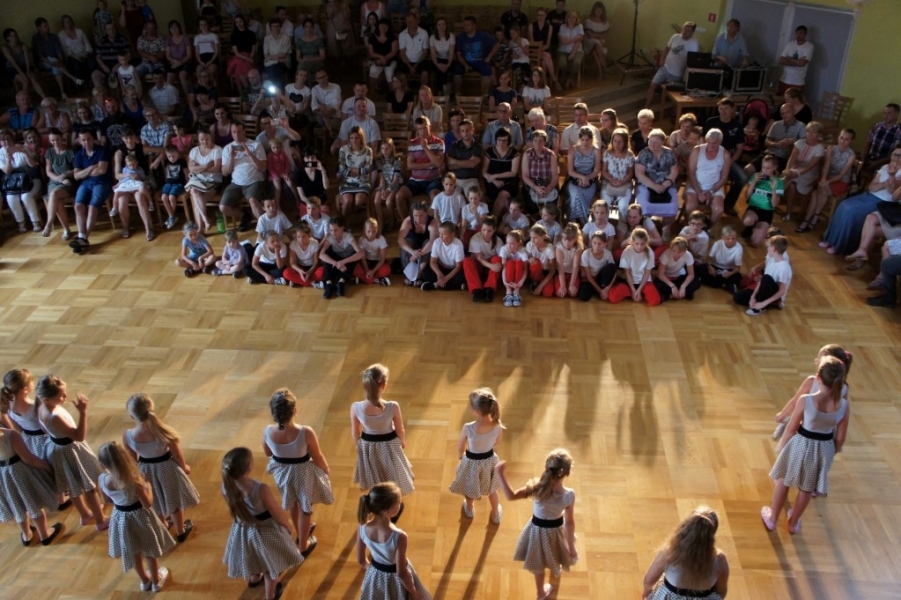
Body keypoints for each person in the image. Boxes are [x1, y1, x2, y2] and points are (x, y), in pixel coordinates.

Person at [761, 355, 848, 533]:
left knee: (783, 480)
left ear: (818, 377)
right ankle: (793, 523)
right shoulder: (844, 405)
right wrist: (832, 452)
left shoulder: (806, 400)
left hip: (800, 443)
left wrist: (782, 447)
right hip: (824, 447)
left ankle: (772, 518)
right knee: (807, 488)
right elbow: (841, 437)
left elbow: (791, 428)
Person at [221, 447, 303, 600]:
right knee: (271, 567)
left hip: (242, 529)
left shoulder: (226, 487)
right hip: (265, 530)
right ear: (249, 468)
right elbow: (276, 512)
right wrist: (287, 525)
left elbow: (235, 510)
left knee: (252, 555)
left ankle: (254, 578)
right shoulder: (260, 489)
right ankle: (270, 596)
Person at [495, 449, 578, 600]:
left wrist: (500, 474)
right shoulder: (569, 495)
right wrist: (571, 547)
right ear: (567, 473)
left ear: (547, 467)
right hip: (556, 532)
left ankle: (540, 593)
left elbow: (511, 496)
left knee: (539, 563)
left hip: (537, 533)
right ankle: (554, 566)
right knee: (556, 551)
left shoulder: (536, 488)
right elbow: (570, 523)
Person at [97, 442, 175, 592]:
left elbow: (107, 501)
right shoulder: (135, 480)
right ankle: (156, 581)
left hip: (121, 518)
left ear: (102, 464)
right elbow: (148, 503)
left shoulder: (102, 480)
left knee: (134, 552)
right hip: (141, 517)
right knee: (149, 550)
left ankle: (145, 581)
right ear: (126, 459)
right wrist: (148, 485)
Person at [263, 388, 332, 556]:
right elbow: (317, 456)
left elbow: (268, 452)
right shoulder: (305, 432)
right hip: (303, 474)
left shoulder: (267, 431)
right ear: (294, 410)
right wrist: (325, 468)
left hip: (283, 474)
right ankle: (303, 545)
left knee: (293, 504)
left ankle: (301, 533)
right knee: (306, 508)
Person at [34, 375, 108, 529]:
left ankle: (85, 514)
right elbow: (79, 436)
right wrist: (83, 412)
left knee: (72, 486)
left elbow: (43, 428)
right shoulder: (55, 417)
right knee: (89, 486)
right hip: (71, 450)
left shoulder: (40, 405)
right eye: (61, 395)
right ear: (47, 398)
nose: (65, 397)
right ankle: (100, 520)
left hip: (56, 447)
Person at [356, 482, 431, 600]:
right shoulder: (399, 536)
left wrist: (375, 572)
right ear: (387, 511)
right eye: (398, 502)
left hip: (375, 574)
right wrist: (414, 592)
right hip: (396, 580)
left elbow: (361, 560)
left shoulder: (362, 527)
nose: (401, 504)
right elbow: (401, 572)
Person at [820, 150, 901, 255]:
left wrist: (891, 176)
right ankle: (830, 239)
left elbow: (892, 191)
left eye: (899, 155)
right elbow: (871, 187)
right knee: (844, 205)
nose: (896, 157)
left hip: (883, 203)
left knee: (852, 211)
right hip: (869, 196)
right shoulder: (885, 167)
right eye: (894, 154)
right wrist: (884, 184)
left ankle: (840, 246)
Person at [642, 507, 730, 600]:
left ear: (686, 528)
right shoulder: (720, 559)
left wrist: (647, 592)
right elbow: (721, 591)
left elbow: (648, 581)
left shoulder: (669, 552)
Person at [772, 345, 851, 441]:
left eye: (819, 358)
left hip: (804, 427)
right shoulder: (845, 388)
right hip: (824, 433)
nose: (816, 360)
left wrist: (781, 415)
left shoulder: (811, 381)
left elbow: (795, 402)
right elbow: (841, 411)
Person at [70, 130, 113, 254]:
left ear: (93, 139)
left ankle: (83, 238)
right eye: (83, 140)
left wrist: (84, 173)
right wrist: (90, 168)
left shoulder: (102, 151)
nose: (86, 142)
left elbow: (102, 170)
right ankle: (82, 238)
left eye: (88, 139)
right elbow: (76, 176)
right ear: (80, 141)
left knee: (92, 207)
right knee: (78, 206)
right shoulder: (79, 154)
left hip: (102, 182)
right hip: (86, 183)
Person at [221, 121, 267, 231]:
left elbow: (264, 168)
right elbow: (224, 172)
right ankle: (245, 216)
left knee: (253, 200)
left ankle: (266, 228)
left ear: (244, 131)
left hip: (254, 180)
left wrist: (250, 155)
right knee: (223, 207)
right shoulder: (227, 148)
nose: (236, 135)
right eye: (234, 132)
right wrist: (231, 158)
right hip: (236, 183)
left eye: (239, 132)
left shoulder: (256, 145)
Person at [705, 98, 747, 216]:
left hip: (728, 160)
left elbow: (739, 148)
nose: (723, 111)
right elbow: (703, 142)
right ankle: (704, 200)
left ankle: (728, 204)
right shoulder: (711, 122)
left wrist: (729, 163)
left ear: (732, 109)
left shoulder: (737, 126)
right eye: (721, 108)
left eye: (726, 108)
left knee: (743, 178)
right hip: (710, 157)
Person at [733, 234, 790, 315]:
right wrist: (753, 296)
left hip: (773, 294)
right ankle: (758, 302)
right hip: (764, 289)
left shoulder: (783, 268)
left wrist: (763, 303)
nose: (767, 249)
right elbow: (762, 281)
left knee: (767, 278)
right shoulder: (771, 260)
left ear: (774, 249)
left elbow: (781, 291)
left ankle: (762, 306)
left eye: (769, 247)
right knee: (737, 297)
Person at [646, 22, 698, 108]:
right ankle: (646, 108)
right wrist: (662, 59)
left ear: (692, 32)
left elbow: (692, 61)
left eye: (688, 31)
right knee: (652, 85)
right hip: (665, 68)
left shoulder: (694, 44)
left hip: (677, 74)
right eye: (684, 30)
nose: (685, 32)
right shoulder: (675, 37)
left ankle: (672, 111)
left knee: (673, 94)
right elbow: (666, 48)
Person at [685, 129, 732, 225]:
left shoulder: (725, 154)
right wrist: (698, 192)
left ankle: (708, 228)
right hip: (695, 185)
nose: (710, 146)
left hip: (714, 187)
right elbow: (691, 172)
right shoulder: (697, 150)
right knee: (690, 206)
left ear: (720, 142)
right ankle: (691, 227)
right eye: (708, 142)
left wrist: (710, 192)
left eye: (714, 143)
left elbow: (724, 177)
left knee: (718, 209)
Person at [0, 129, 42, 233]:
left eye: (8, 139)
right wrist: (8, 158)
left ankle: (35, 221)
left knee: (26, 196)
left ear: (12, 139)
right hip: (14, 184)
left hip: (31, 180)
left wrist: (25, 152)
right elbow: (7, 171)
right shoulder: (0, 153)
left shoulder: (21, 147)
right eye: (3, 140)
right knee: (10, 198)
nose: (6, 142)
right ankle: (21, 222)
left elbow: (33, 165)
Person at [781, 121, 825, 220]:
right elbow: (792, 159)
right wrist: (788, 170)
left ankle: (773, 201)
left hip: (809, 172)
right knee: (791, 184)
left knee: (787, 180)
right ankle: (788, 212)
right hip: (795, 167)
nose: (810, 134)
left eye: (814, 132)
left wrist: (796, 174)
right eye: (808, 131)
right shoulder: (800, 143)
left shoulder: (820, 148)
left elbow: (810, 166)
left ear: (819, 134)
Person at [634, 128, 679, 224]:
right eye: (650, 141)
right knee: (645, 205)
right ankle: (646, 225)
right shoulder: (644, 153)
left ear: (662, 142)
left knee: (673, 206)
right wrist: (655, 186)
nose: (652, 144)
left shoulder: (669, 153)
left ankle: (666, 227)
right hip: (646, 184)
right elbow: (639, 173)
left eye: (656, 142)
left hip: (666, 184)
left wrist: (665, 184)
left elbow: (674, 170)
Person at [608, 227, 661, 305]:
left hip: (644, 282)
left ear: (646, 243)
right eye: (637, 244)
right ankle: (632, 293)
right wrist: (633, 289)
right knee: (613, 298)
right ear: (632, 242)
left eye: (642, 244)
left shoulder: (650, 253)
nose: (640, 247)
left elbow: (647, 273)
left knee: (655, 300)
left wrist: (639, 290)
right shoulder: (627, 252)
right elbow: (627, 273)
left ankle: (638, 293)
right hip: (629, 282)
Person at [32, 18, 82, 99]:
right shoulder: (36, 38)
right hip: (43, 62)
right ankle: (73, 78)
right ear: (39, 28)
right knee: (54, 61)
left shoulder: (53, 37)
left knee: (56, 67)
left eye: (47, 25)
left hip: (56, 62)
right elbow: (40, 56)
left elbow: (58, 51)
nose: (47, 27)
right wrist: (50, 62)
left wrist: (61, 60)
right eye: (45, 26)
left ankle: (62, 92)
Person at [183, 130, 222, 232]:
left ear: (211, 138)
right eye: (202, 139)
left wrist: (199, 168)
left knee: (195, 198)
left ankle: (201, 228)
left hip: (214, 181)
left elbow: (216, 169)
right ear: (198, 139)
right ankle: (205, 220)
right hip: (198, 180)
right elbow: (191, 169)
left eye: (207, 139)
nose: (204, 142)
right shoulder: (194, 151)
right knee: (194, 191)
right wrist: (206, 166)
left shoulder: (217, 150)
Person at [741, 155, 784, 248]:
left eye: (768, 168)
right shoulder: (756, 176)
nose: (765, 170)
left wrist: (774, 189)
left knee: (755, 243)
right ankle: (751, 227)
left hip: (767, 212)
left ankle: (761, 227)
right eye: (763, 167)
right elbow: (747, 196)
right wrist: (754, 182)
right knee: (747, 221)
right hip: (754, 208)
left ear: (774, 167)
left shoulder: (779, 182)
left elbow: (774, 204)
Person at [319, 217, 364, 298]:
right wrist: (336, 263)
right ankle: (329, 284)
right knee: (327, 255)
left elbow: (360, 253)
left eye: (335, 230)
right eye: (331, 230)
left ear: (342, 228)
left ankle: (341, 282)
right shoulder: (330, 238)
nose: (333, 233)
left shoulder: (348, 236)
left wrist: (343, 262)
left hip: (346, 258)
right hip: (336, 259)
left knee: (354, 258)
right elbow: (321, 255)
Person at [566, 127, 602, 223]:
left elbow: (596, 171)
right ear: (579, 139)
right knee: (576, 195)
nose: (585, 142)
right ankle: (583, 220)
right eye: (582, 140)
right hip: (574, 179)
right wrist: (582, 177)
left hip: (591, 180)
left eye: (587, 140)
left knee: (584, 196)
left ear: (591, 139)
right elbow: (570, 171)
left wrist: (587, 178)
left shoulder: (596, 151)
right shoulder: (573, 150)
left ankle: (576, 220)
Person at [336, 126, 374, 217]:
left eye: (356, 138)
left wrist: (351, 170)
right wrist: (358, 171)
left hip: (363, 182)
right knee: (347, 201)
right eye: (351, 138)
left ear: (361, 138)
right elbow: (342, 169)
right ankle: (344, 222)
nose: (354, 140)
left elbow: (367, 169)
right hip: (346, 182)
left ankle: (350, 217)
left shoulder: (368, 151)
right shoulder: (343, 150)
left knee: (358, 201)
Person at [455, 15, 495, 96]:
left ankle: (485, 95)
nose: (465, 27)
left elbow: (497, 45)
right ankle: (457, 94)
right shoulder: (460, 37)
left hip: (480, 61)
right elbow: (458, 54)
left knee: (487, 69)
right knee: (456, 69)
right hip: (465, 62)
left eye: (468, 25)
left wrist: (489, 57)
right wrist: (465, 65)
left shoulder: (483, 35)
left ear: (474, 26)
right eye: (464, 24)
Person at [422, 221, 466, 291]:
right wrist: (439, 273)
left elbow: (458, 266)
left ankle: (435, 285)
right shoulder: (437, 242)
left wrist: (445, 279)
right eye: (440, 233)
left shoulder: (458, 245)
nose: (441, 236)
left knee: (462, 275)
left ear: (452, 235)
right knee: (425, 271)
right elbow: (433, 262)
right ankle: (448, 285)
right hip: (441, 268)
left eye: (444, 234)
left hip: (453, 270)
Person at [3, 28, 47, 98]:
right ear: (8, 38)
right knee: (25, 80)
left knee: (33, 78)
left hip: (24, 66)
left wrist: (28, 70)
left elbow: (27, 60)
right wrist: (22, 74)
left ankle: (45, 98)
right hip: (12, 69)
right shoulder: (5, 48)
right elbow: (13, 62)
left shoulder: (23, 45)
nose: (15, 37)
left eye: (16, 35)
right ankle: (23, 100)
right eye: (12, 36)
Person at [654, 237, 701, 302]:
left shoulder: (688, 255)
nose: (676, 254)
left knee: (696, 281)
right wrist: (672, 286)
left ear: (684, 251)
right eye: (673, 250)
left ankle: (672, 295)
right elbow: (660, 274)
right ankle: (681, 294)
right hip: (667, 278)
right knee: (658, 284)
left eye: (679, 252)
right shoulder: (666, 255)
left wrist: (683, 286)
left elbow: (691, 274)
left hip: (679, 276)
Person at [601, 128, 634, 217]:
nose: (617, 144)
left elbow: (630, 173)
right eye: (615, 141)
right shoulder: (607, 153)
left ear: (625, 142)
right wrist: (612, 180)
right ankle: (604, 224)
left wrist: (622, 182)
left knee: (623, 207)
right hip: (609, 183)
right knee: (604, 206)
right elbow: (604, 171)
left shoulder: (629, 155)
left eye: (620, 142)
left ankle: (622, 224)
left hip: (624, 184)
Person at [861, 103, 901, 176]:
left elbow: (895, 154)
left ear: (896, 114)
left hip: (884, 162)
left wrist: (876, 163)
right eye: (884, 113)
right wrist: (863, 159)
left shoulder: (899, 131)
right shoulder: (877, 126)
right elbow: (867, 143)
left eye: (889, 113)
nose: (886, 116)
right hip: (870, 158)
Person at [59, 15, 98, 85]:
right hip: (73, 56)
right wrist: (76, 57)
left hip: (84, 53)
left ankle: (92, 80)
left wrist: (85, 54)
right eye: (65, 22)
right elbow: (65, 49)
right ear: (63, 23)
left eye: (69, 21)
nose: (68, 23)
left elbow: (87, 44)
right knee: (77, 66)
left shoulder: (79, 31)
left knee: (92, 64)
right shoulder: (61, 34)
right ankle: (83, 83)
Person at [578, 230, 616, 301]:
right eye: (594, 243)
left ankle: (602, 289)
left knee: (612, 266)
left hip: (601, 279)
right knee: (583, 296)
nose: (596, 246)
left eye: (599, 244)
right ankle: (596, 290)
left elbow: (614, 272)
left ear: (605, 244)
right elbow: (588, 276)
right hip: (589, 280)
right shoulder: (586, 254)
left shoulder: (608, 254)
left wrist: (607, 288)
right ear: (591, 242)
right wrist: (600, 291)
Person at [702, 226, 743, 291]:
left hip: (728, 269)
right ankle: (725, 284)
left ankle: (713, 282)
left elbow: (737, 267)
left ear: (737, 237)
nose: (730, 241)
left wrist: (730, 273)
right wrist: (710, 267)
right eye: (728, 239)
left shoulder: (739, 248)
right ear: (722, 238)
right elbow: (709, 258)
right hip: (715, 266)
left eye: (733, 238)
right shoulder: (717, 244)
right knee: (701, 267)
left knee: (738, 276)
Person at [155, 144, 187, 229]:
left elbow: (186, 174)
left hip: (179, 184)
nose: (172, 158)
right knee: (164, 197)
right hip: (168, 183)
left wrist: (187, 185)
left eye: (173, 156)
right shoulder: (166, 162)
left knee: (171, 197)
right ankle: (172, 216)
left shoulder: (182, 162)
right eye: (169, 156)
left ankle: (171, 217)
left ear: (177, 154)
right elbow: (166, 174)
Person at [398, 12, 430, 87]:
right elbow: (402, 53)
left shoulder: (424, 33)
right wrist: (409, 66)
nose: (409, 23)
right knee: (398, 74)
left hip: (420, 61)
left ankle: (422, 91)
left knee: (425, 73)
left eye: (411, 21)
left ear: (416, 21)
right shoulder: (402, 35)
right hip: (406, 62)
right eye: (407, 22)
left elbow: (425, 51)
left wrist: (416, 64)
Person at [778, 25, 813, 94]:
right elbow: (781, 60)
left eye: (801, 33)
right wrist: (797, 61)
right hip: (784, 79)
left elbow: (802, 63)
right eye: (797, 33)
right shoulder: (791, 44)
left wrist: (788, 58)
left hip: (797, 82)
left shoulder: (809, 46)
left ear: (805, 34)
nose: (798, 35)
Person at [228, 15, 258, 93]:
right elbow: (236, 52)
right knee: (240, 63)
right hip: (239, 56)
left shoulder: (251, 34)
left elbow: (253, 49)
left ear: (244, 21)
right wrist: (246, 58)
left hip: (249, 55)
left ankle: (243, 93)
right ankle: (246, 88)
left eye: (240, 21)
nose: (239, 24)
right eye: (237, 22)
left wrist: (250, 57)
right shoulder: (233, 35)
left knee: (239, 67)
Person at [552, 223, 583, 298]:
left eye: (570, 240)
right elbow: (560, 267)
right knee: (560, 293)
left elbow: (576, 267)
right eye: (565, 240)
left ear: (575, 240)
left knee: (573, 294)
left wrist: (572, 284)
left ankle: (571, 282)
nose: (567, 243)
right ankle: (560, 282)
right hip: (562, 271)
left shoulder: (578, 247)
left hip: (572, 272)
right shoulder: (559, 247)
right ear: (562, 238)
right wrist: (562, 286)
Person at [555, 11, 583, 90]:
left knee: (576, 64)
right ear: (567, 18)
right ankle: (567, 78)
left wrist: (573, 54)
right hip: (563, 50)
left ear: (576, 19)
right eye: (569, 17)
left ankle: (568, 79)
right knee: (562, 63)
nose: (571, 19)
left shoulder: (579, 27)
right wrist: (574, 39)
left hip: (576, 50)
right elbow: (563, 41)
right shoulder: (562, 27)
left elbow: (578, 42)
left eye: (573, 17)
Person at [582, 2, 609, 78]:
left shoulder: (605, 22)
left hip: (600, 42)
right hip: (588, 42)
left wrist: (595, 35)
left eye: (600, 10)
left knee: (594, 52)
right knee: (596, 43)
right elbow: (589, 35)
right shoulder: (588, 21)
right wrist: (598, 36)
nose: (598, 12)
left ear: (602, 11)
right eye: (596, 10)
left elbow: (605, 35)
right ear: (593, 10)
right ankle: (603, 66)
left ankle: (600, 73)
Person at [311, 68, 341, 136]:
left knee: (325, 126)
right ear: (316, 80)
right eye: (319, 78)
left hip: (334, 116)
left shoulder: (336, 87)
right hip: (321, 116)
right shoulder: (315, 89)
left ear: (327, 76)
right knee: (322, 108)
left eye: (324, 77)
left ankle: (329, 131)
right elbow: (314, 105)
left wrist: (329, 112)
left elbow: (337, 103)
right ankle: (331, 132)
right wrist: (322, 113)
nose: (322, 80)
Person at [165, 20, 193, 93]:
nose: (174, 29)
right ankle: (170, 97)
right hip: (173, 62)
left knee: (182, 75)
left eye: (175, 27)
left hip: (185, 62)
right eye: (171, 28)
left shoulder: (185, 39)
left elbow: (189, 54)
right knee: (169, 76)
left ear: (179, 28)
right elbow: (168, 56)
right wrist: (174, 61)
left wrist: (181, 62)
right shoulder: (168, 40)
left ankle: (188, 95)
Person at [263, 19, 291, 86]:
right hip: (271, 63)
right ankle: (276, 88)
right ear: (270, 28)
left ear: (280, 27)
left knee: (274, 70)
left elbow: (284, 54)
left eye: (277, 26)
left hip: (284, 63)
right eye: (273, 26)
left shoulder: (286, 38)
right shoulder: (267, 39)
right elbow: (266, 55)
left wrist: (271, 57)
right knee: (271, 69)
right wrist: (277, 59)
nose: (275, 28)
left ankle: (276, 88)